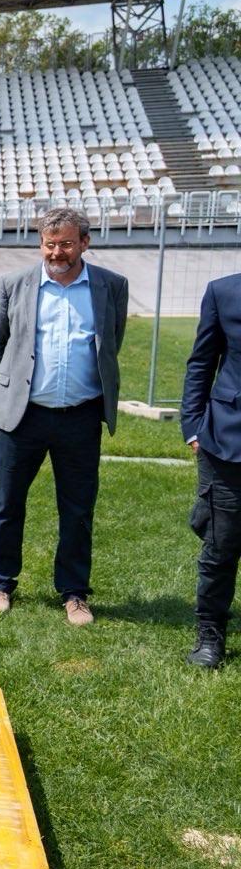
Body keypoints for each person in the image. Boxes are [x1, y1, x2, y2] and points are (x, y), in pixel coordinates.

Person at [0, 206, 128, 625]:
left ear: (85, 242)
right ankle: (0, 582)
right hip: (23, 417)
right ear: (40, 244)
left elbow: (111, 344)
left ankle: (74, 593)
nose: (56, 253)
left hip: (81, 418)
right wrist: (20, 383)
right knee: (8, 503)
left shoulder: (111, 286)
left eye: (66, 244)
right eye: (49, 244)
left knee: (78, 510)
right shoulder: (14, 284)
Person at [180, 268, 241, 668]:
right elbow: (202, 361)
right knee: (221, 544)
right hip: (228, 440)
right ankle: (210, 634)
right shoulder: (223, 292)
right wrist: (192, 425)